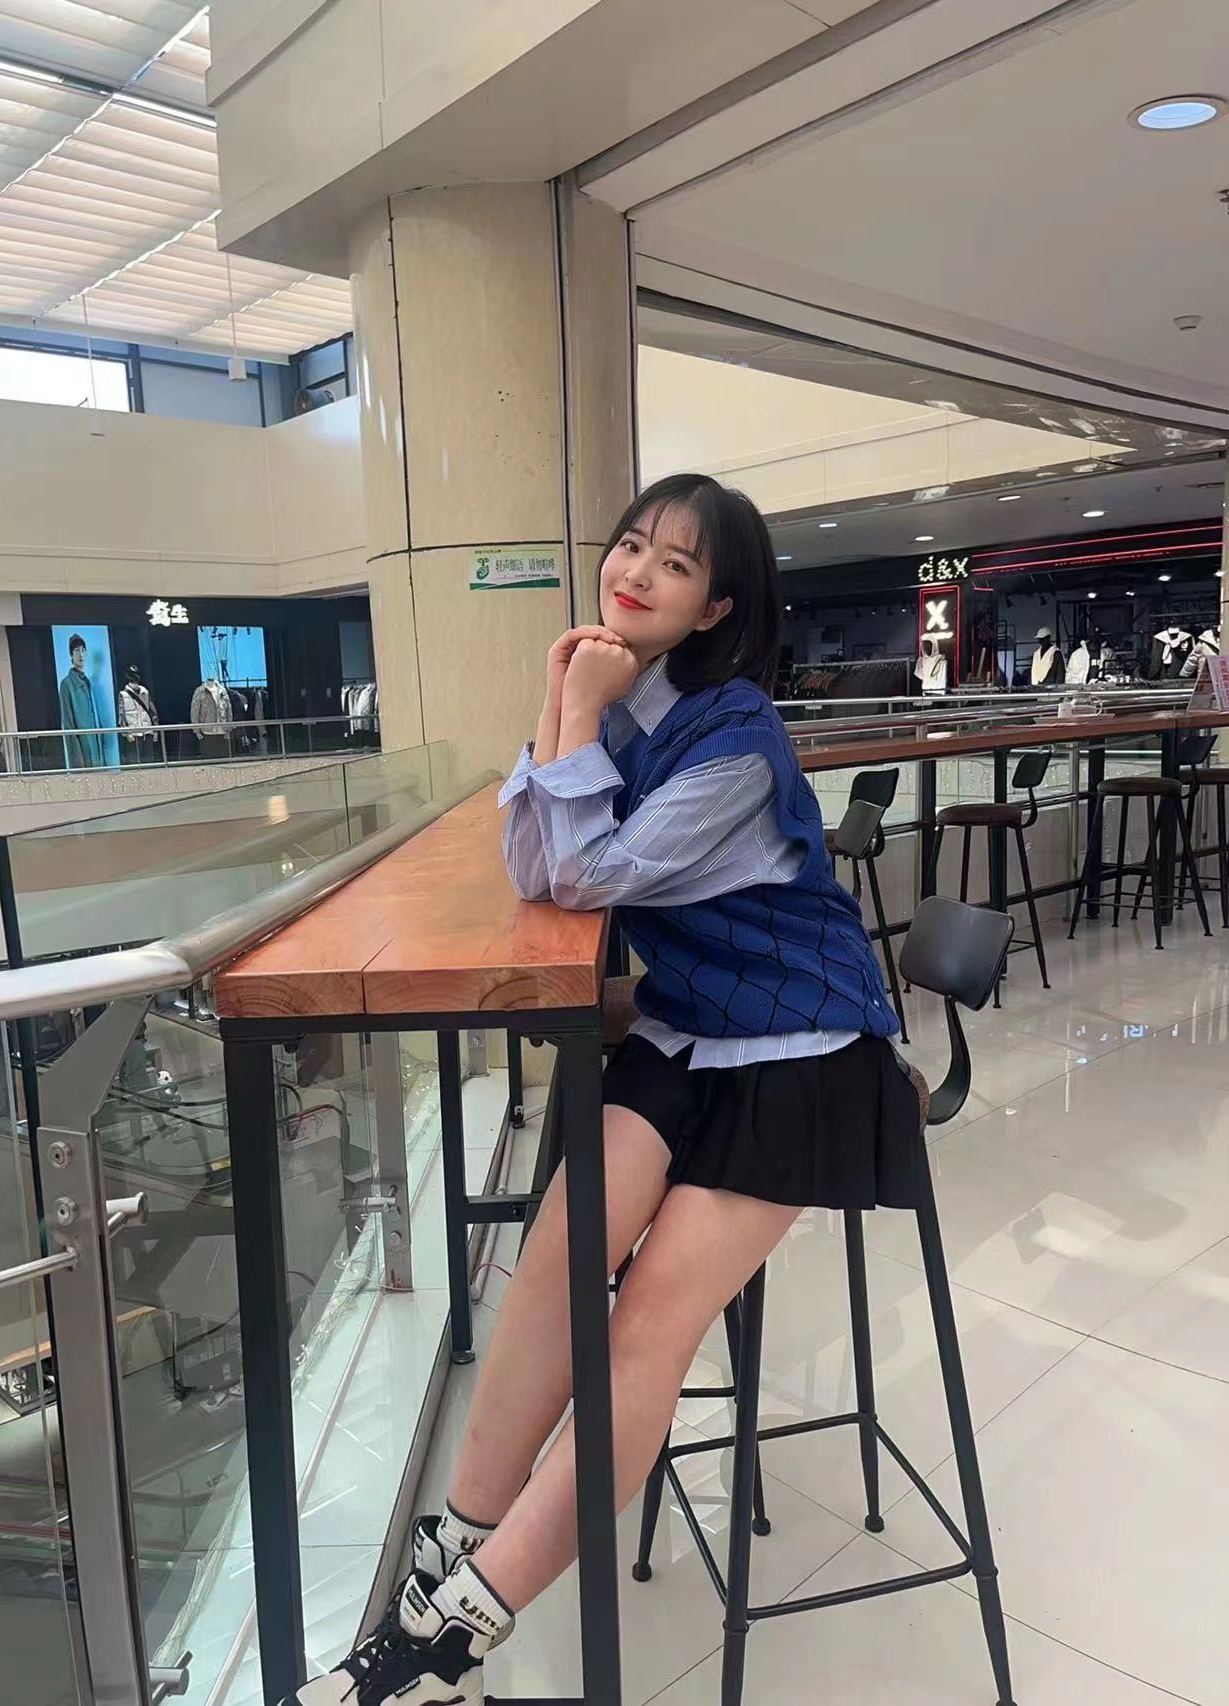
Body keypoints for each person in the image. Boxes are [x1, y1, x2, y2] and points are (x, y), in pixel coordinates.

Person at [290, 473, 918, 1706]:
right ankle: (454, 1544)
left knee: (642, 1325)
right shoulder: (631, 708)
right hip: (685, 1031)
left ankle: (446, 1639)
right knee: (559, 1253)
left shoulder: (734, 741)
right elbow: (533, 861)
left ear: (715, 606)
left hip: (804, 1052)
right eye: (631, 545)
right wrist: (561, 702)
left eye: (674, 564)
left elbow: (580, 877)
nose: (634, 572)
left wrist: (574, 705)